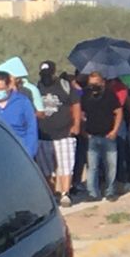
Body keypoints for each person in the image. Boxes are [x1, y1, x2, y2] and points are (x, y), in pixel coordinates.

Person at [38, 61, 80, 206]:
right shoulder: (37, 88)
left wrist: (76, 124)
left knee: (65, 164)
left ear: (54, 73)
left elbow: (76, 104)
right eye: (43, 75)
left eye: (48, 74)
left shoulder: (64, 86)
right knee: (46, 168)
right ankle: (52, 194)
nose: (46, 77)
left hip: (64, 132)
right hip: (43, 135)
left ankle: (65, 193)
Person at [81, 72, 123, 201]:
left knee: (111, 165)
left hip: (108, 136)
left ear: (102, 82)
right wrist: (83, 131)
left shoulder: (110, 95)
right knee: (92, 167)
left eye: (96, 83)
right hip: (92, 136)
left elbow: (118, 112)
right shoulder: (85, 96)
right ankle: (92, 193)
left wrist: (115, 130)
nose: (93, 86)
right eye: (91, 83)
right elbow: (81, 114)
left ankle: (110, 190)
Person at [0, 71, 38, 157]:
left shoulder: (23, 102)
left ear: (9, 86)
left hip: (19, 151)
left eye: (1, 89)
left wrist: (29, 152)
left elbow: (31, 128)